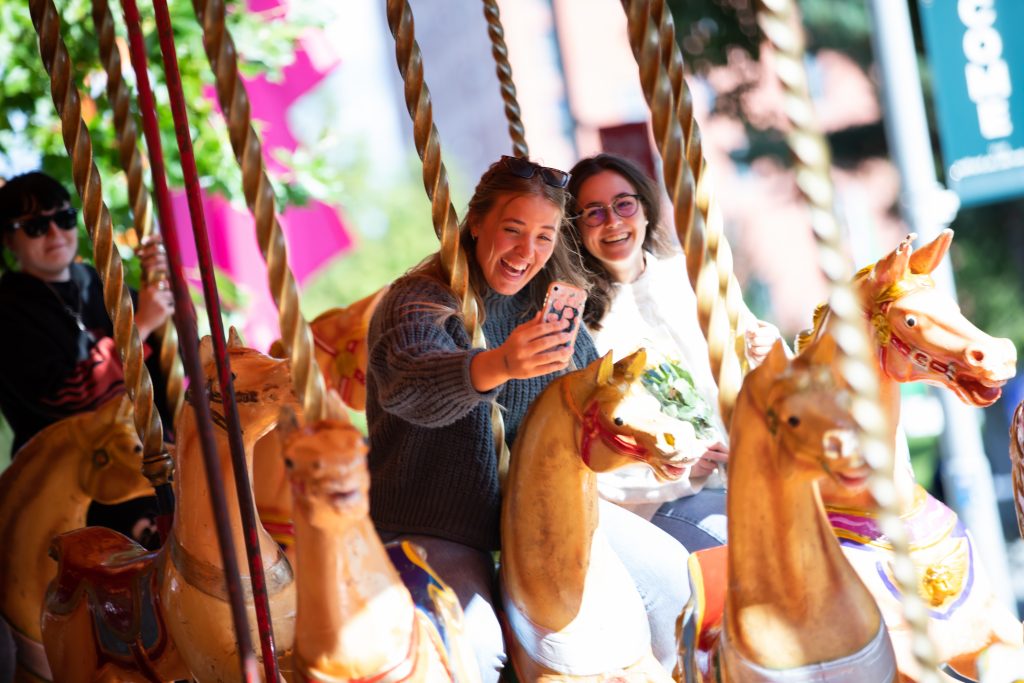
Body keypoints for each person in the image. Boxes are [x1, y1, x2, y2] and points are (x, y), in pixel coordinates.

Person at [365, 155, 690, 680]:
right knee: (477, 645)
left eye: (543, 237)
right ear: (475, 224)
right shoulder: (419, 301)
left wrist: (655, 439)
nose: (526, 252)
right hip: (436, 522)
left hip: (538, 519)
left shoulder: (545, 307)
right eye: (512, 230)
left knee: (673, 583)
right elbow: (408, 385)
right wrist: (499, 364)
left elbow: (590, 398)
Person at [566, 153, 782, 552]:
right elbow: (587, 446)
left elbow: (763, 365)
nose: (612, 221)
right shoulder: (581, 325)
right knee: (755, 543)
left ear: (645, 211)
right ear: (576, 230)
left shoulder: (693, 275)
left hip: (746, 469)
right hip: (661, 501)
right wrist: (678, 471)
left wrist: (770, 349)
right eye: (592, 213)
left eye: (623, 204)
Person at [0, 171, 174, 546]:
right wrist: (138, 329)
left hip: (144, 458)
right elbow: (65, 396)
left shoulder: (97, 283)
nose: (55, 234)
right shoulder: (8, 311)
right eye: (35, 227)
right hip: (76, 482)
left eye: (63, 219)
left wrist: (162, 287)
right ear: (8, 238)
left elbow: (170, 360)